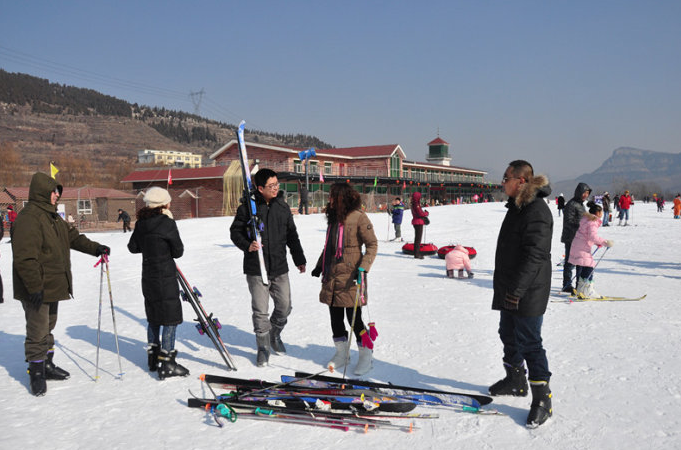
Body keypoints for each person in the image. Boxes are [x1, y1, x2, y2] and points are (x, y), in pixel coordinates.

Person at [11, 172, 110, 396]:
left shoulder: (53, 217)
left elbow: (73, 238)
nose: (57, 195)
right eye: (54, 191)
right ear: (43, 192)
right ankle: (36, 371)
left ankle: (47, 363)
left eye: (58, 191)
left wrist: (96, 248)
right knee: (37, 330)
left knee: (48, 326)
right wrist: (34, 286)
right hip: (36, 286)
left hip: (53, 283)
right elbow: (25, 258)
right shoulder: (29, 218)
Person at [489, 160, 553, 428]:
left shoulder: (536, 211)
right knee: (508, 334)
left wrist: (517, 290)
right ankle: (515, 380)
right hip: (511, 287)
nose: (502, 182)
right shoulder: (517, 208)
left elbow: (535, 255)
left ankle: (542, 399)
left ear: (522, 181)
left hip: (528, 290)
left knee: (530, 342)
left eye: (506, 178)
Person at [230, 168, 306, 367]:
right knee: (260, 311)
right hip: (257, 268)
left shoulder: (282, 207)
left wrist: (299, 259)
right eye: (271, 186)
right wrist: (247, 245)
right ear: (260, 188)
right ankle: (263, 348)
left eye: (277, 184)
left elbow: (292, 236)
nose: (276, 188)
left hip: (279, 266)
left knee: (284, 306)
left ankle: (274, 333)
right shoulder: (248, 208)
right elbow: (235, 232)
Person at [311, 182, 378, 375]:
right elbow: (329, 247)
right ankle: (342, 353)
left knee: (353, 318)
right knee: (335, 317)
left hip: (352, 276)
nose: (329, 200)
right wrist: (319, 265)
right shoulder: (333, 219)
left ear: (342, 198)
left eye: (333, 196)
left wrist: (363, 268)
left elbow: (372, 245)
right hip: (332, 275)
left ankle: (366, 354)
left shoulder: (359, 217)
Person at [127, 187, 188, 380]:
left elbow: (133, 247)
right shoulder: (166, 223)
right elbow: (178, 251)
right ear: (164, 203)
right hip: (166, 276)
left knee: (153, 316)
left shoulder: (141, 223)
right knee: (170, 318)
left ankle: (153, 357)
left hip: (149, 276)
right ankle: (167, 362)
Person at [568, 201, 614, 299]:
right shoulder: (593, 221)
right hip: (582, 248)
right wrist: (605, 242)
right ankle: (587, 290)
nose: (602, 214)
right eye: (601, 212)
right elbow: (592, 236)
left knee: (586, 266)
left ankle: (581, 289)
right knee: (589, 265)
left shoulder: (585, 219)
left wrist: (597, 243)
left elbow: (586, 235)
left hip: (578, 246)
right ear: (597, 213)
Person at [560, 183, 591, 293]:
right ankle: (567, 285)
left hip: (579, 238)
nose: (585, 195)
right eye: (584, 192)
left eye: (587, 193)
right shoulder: (572, 204)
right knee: (570, 262)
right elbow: (569, 221)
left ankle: (579, 284)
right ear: (579, 192)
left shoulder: (581, 204)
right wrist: (581, 226)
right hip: (571, 237)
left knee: (579, 262)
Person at [410, 191, 429, 259]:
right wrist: (426, 213)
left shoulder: (414, 203)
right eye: (419, 197)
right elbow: (420, 213)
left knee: (417, 238)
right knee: (418, 239)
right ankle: (416, 254)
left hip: (416, 221)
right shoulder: (416, 204)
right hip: (418, 222)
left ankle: (416, 252)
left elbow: (418, 212)